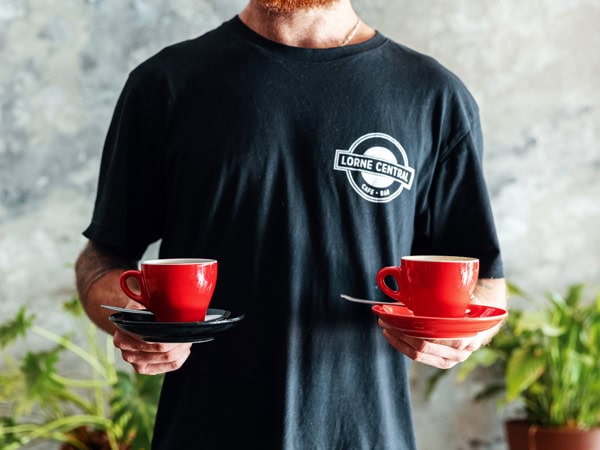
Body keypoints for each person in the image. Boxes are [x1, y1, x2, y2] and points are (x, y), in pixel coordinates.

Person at [75, 0, 507, 448]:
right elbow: (102, 258)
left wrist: (462, 335)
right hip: (204, 431)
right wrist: (134, 320)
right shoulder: (166, 83)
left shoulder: (433, 95)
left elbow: (487, 285)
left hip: (365, 435)